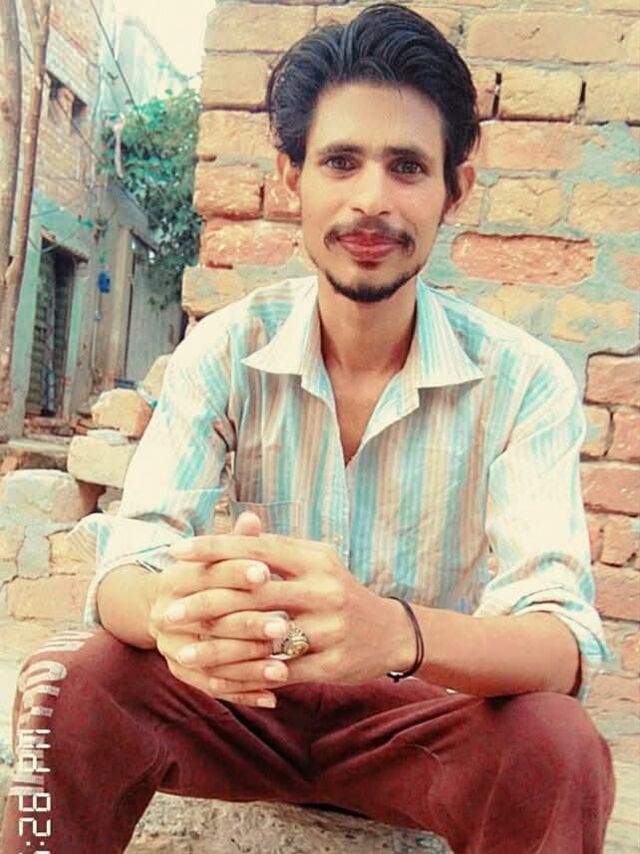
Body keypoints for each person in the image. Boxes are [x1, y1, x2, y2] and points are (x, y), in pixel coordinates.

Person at [1, 4, 614, 853]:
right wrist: (176, 611)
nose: (371, 200)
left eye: (407, 166)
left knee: (559, 745)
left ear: (455, 191)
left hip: (417, 723)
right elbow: (123, 571)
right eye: (340, 161)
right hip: (241, 704)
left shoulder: (522, 380)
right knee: (63, 682)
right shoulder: (226, 348)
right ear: (292, 177)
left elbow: (563, 644)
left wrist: (393, 633)